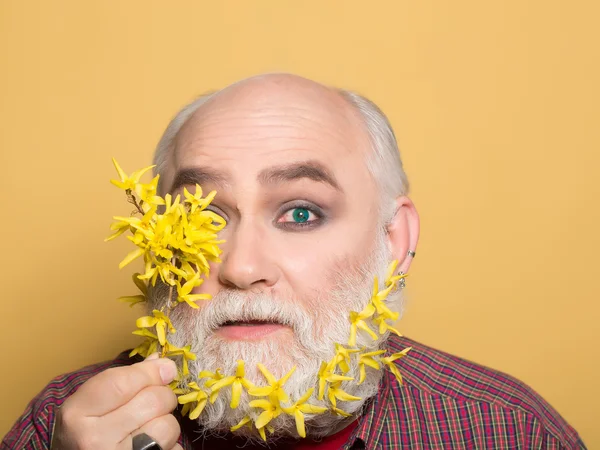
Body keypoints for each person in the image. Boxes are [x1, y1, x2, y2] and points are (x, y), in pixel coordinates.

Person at [3, 74, 586, 449]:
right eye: (205, 218)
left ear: (395, 240)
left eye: (301, 213)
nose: (240, 266)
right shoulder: (61, 426)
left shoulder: (509, 431)